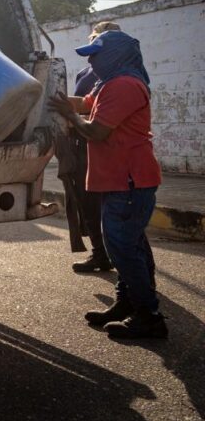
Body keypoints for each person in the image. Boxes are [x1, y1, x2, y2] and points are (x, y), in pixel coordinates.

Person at [49, 30, 165, 340]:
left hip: (129, 181)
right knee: (124, 246)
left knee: (123, 249)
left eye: (95, 55)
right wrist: (48, 97)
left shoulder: (124, 85)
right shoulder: (109, 83)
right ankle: (127, 303)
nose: (91, 61)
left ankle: (149, 316)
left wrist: (70, 116)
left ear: (115, 55)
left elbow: (96, 131)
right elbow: (84, 103)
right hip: (120, 181)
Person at [57, 21, 121, 273]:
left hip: (101, 145)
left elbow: (98, 116)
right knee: (86, 203)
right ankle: (99, 253)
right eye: (92, 40)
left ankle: (122, 259)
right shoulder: (86, 73)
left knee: (108, 206)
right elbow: (84, 103)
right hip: (80, 145)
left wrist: (72, 117)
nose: (93, 48)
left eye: (97, 41)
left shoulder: (117, 77)